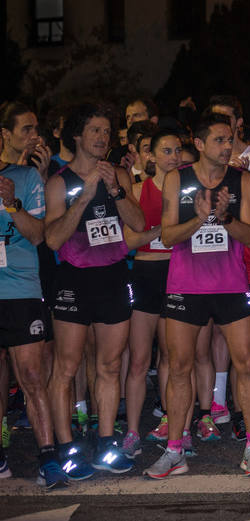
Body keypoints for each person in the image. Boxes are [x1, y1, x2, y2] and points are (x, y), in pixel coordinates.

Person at [145, 114, 250, 479]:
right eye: (218, 140)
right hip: (186, 286)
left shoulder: (243, 179)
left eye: (230, 140)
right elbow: (166, 236)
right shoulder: (177, 179)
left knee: (246, 364)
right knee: (179, 367)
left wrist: (224, 216)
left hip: (231, 284)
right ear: (198, 143)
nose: (227, 146)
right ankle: (175, 450)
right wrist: (199, 219)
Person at [44, 103, 144, 478]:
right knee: (67, 367)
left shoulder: (118, 174)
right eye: (95, 131)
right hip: (73, 280)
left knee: (110, 364)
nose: (103, 138)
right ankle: (67, 447)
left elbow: (137, 223)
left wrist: (116, 189)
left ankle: (106, 443)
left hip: (113, 276)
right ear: (77, 136)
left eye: (107, 132)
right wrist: (83, 196)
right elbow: (52, 240)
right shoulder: (58, 181)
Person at [0, 137, 67, 488]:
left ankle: (48, 457)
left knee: (31, 375)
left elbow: (39, 236)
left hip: (22, 291)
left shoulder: (24, 177)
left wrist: (12, 204)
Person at [120, 129, 184, 459]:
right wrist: (161, 230)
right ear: (152, 157)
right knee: (139, 360)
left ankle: (175, 427)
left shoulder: (187, 191)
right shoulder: (136, 190)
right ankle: (132, 431)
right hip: (146, 273)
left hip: (177, 274)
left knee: (172, 359)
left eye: (177, 150)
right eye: (167, 151)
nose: (173, 156)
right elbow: (128, 242)